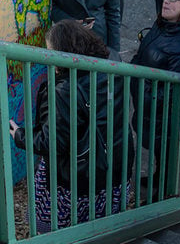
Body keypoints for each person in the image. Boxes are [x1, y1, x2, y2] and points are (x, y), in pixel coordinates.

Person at [10, 21, 131, 233]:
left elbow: (53, 142)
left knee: (61, 225)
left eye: (51, 52)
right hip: (116, 162)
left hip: (80, 175)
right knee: (101, 224)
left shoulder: (66, 90)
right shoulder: (113, 61)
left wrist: (19, 135)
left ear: (65, 53)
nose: (49, 59)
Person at [132, 0, 180, 195]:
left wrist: (143, 92)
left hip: (165, 115)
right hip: (152, 109)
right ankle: (157, 179)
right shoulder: (163, 24)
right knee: (159, 151)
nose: (166, 1)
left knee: (165, 153)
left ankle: (163, 195)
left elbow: (172, 91)